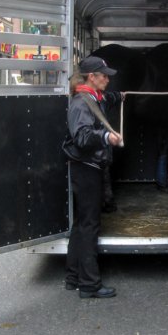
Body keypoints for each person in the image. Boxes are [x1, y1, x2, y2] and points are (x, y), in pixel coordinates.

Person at [62, 55, 123, 298]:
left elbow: (106, 99)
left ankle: (73, 276)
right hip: (86, 168)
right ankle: (89, 285)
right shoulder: (81, 103)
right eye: (104, 75)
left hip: (86, 168)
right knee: (89, 226)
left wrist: (121, 96)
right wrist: (107, 137)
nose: (107, 79)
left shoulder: (92, 97)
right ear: (91, 77)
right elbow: (82, 137)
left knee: (81, 224)